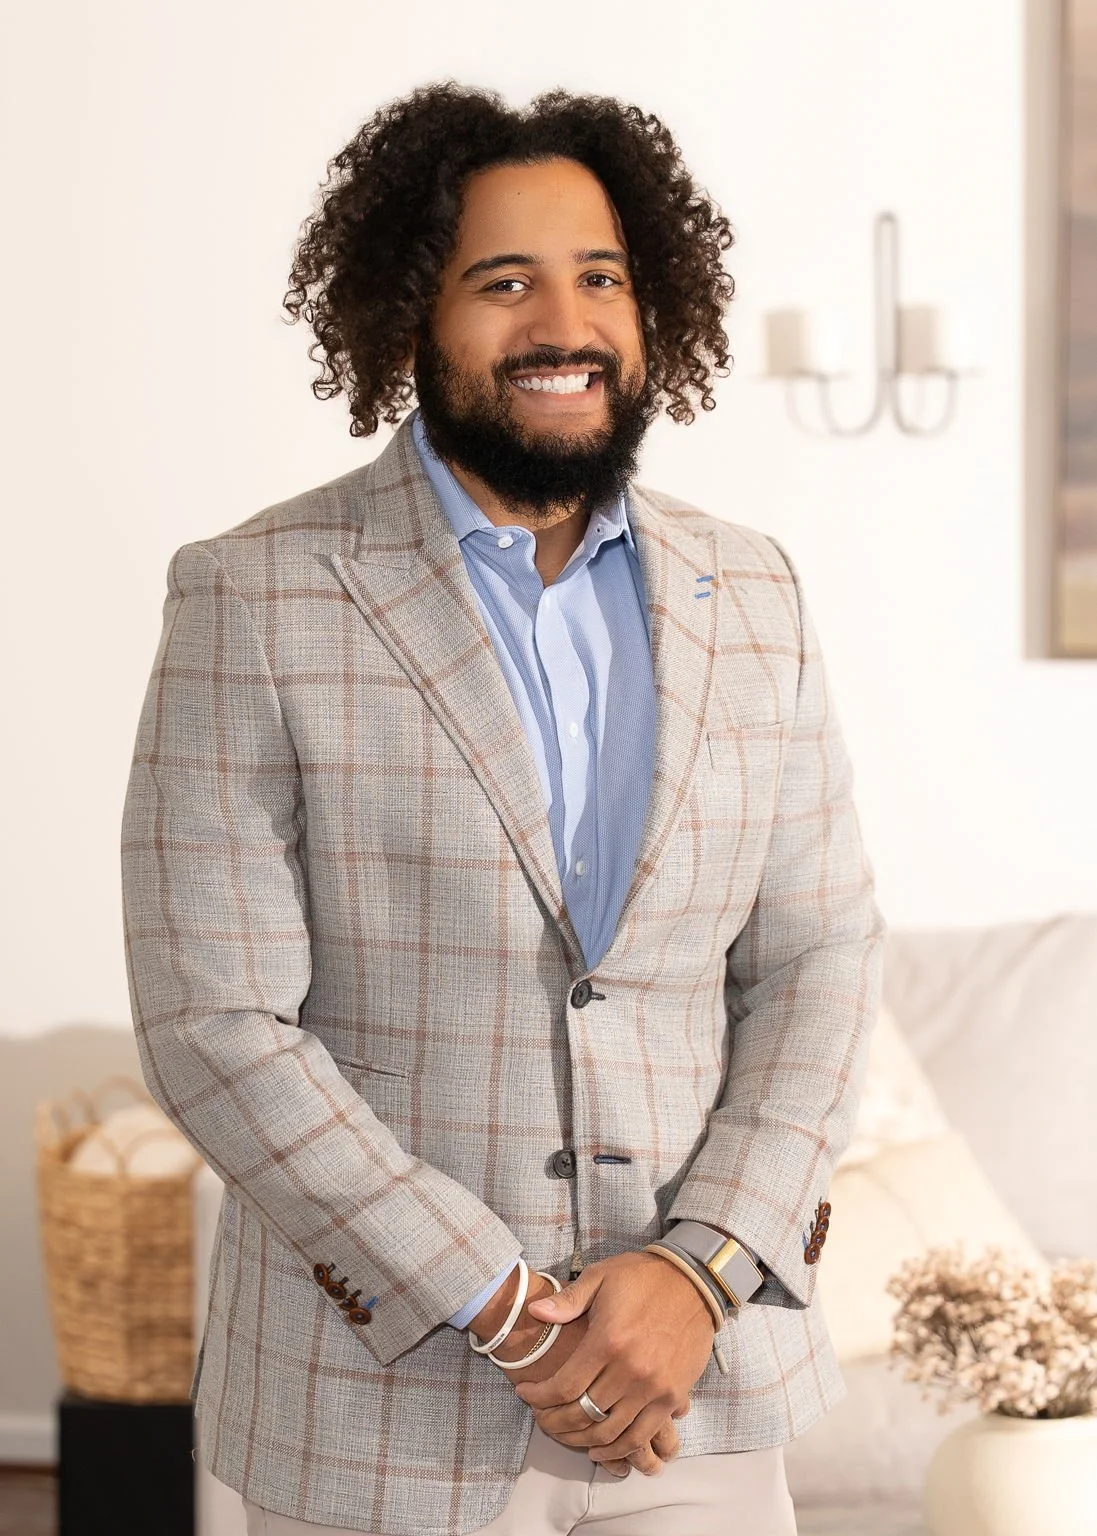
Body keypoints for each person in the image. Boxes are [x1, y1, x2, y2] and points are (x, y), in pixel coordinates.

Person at [120, 81, 887, 1536]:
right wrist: (507, 1308)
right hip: (378, 1412)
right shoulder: (253, 596)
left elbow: (819, 959)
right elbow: (215, 1023)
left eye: (602, 276)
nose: (565, 320)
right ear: (414, 313)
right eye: (505, 281)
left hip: (701, 1398)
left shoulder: (757, 592)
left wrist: (700, 1266)